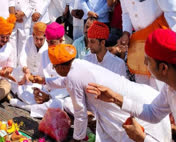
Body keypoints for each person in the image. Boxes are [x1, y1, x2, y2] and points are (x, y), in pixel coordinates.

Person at [31, 43, 171, 141]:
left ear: (60, 67)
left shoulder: (74, 74)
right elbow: (66, 82)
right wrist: (44, 80)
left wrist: (78, 138)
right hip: (142, 96)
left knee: (136, 133)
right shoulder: (79, 64)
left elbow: (80, 113)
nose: (55, 70)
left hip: (128, 109)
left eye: (55, 67)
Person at [103, 0, 176, 90]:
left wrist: (167, 48)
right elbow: (126, 12)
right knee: (143, 89)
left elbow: (173, 13)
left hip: (162, 44)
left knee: (163, 90)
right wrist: (126, 33)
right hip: (139, 45)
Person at [86, 29, 176, 142]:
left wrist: (142, 138)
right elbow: (153, 112)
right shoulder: (169, 88)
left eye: (148, 60)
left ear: (163, 68)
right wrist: (116, 98)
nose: (145, 64)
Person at [10, 22, 70, 118]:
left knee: (57, 105)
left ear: (61, 40)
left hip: (58, 94)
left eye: (52, 42)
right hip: (45, 90)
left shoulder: (67, 55)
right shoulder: (46, 53)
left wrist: (49, 96)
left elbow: (66, 84)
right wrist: (37, 90)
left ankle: (25, 106)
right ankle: (35, 104)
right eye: (48, 42)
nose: (49, 45)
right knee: (26, 92)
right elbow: (41, 75)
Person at [10, 22, 48, 103]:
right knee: (10, 77)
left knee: (34, 93)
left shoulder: (48, 46)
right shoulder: (29, 39)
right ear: (33, 34)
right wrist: (26, 71)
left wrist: (32, 77)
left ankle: (19, 96)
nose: (38, 42)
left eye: (41, 39)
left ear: (45, 37)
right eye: (36, 38)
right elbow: (22, 57)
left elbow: (46, 69)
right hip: (25, 72)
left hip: (38, 78)